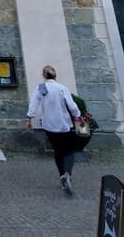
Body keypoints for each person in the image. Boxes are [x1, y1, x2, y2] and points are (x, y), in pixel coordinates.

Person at [26, 65, 82, 195]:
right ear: (55, 75)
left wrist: (29, 118)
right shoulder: (62, 88)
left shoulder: (41, 88)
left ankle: (62, 175)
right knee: (68, 150)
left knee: (58, 150)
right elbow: (72, 106)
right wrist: (78, 116)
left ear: (43, 75)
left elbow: (34, 103)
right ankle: (68, 173)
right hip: (64, 124)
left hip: (49, 125)